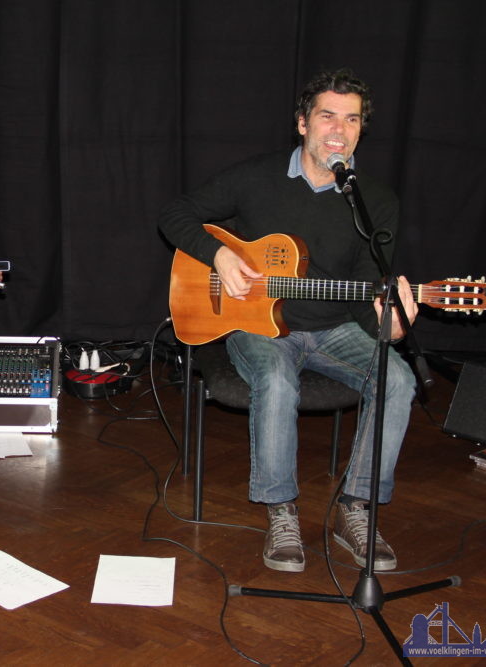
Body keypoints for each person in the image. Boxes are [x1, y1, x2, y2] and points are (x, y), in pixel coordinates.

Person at [158, 69, 418, 572]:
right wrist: (218, 256)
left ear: (362, 129)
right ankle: (281, 509)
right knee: (276, 379)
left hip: (337, 327)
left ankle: (355, 508)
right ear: (302, 123)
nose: (339, 130)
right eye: (327, 116)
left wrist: (395, 325)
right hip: (258, 327)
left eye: (351, 119)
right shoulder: (256, 175)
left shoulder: (375, 201)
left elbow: (370, 294)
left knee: (399, 379)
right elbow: (176, 213)